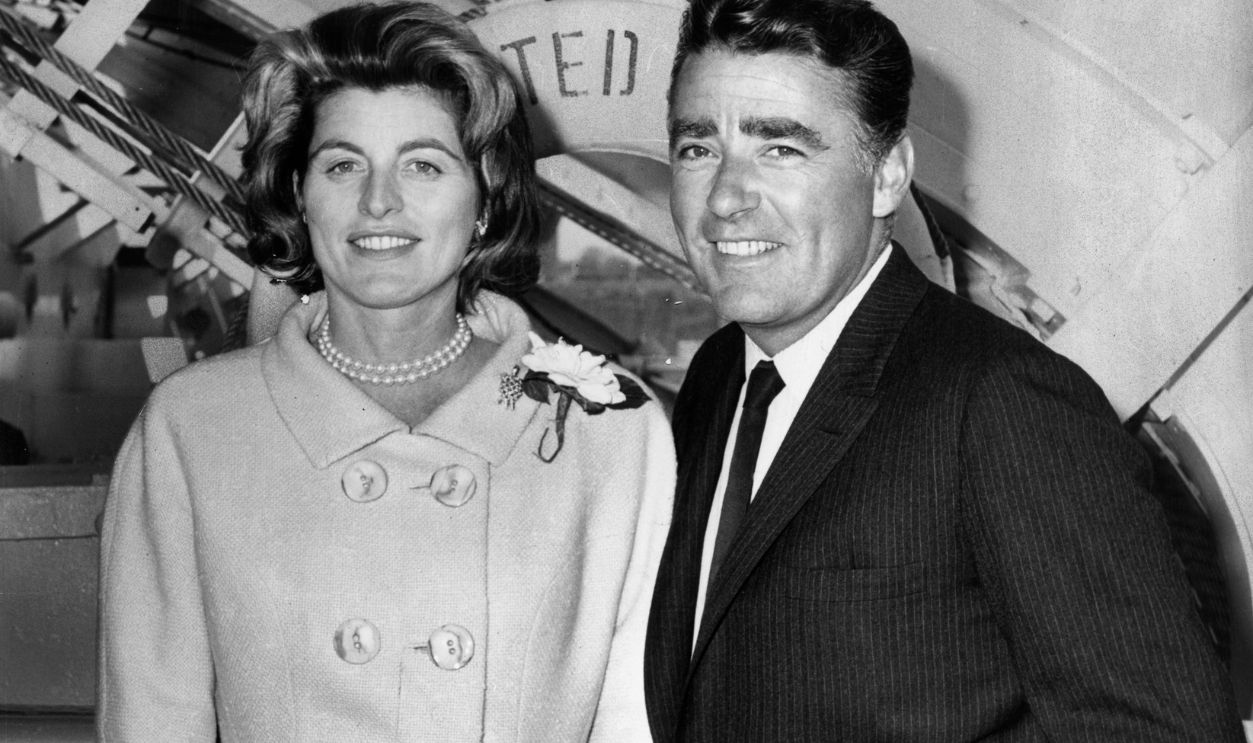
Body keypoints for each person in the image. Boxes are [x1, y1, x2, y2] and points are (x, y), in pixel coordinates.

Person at [643, 0, 1243, 740]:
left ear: (888, 174)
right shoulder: (717, 378)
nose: (726, 197)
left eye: (781, 149)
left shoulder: (1002, 401)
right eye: (697, 149)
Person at [97, 3, 672, 740]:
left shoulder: (611, 432)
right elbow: (151, 720)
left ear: (485, 201)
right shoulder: (192, 429)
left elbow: (634, 723)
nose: (378, 201)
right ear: (300, 194)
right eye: (342, 165)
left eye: (424, 165)